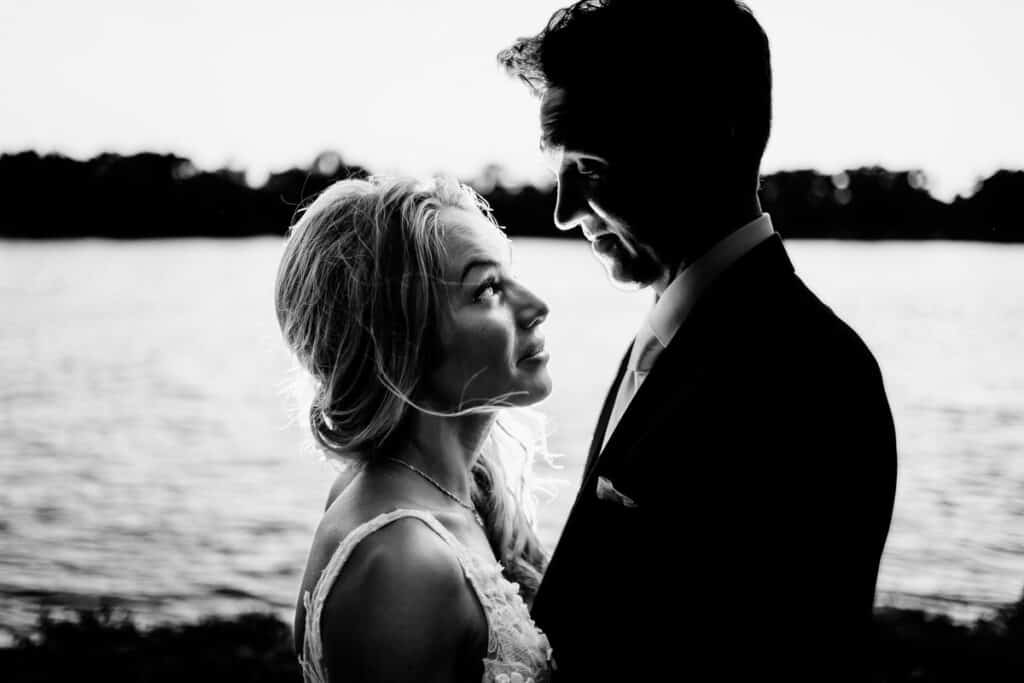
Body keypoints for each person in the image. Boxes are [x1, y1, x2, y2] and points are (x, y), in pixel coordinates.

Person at [498, 1, 898, 680]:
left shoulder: (814, 375)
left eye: (590, 166)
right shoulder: (669, 332)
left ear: (708, 140)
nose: (563, 211)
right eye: (558, 168)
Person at [276, 175, 554, 683]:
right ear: (402, 339)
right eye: (488, 288)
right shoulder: (403, 561)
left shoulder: (449, 493)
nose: (536, 307)